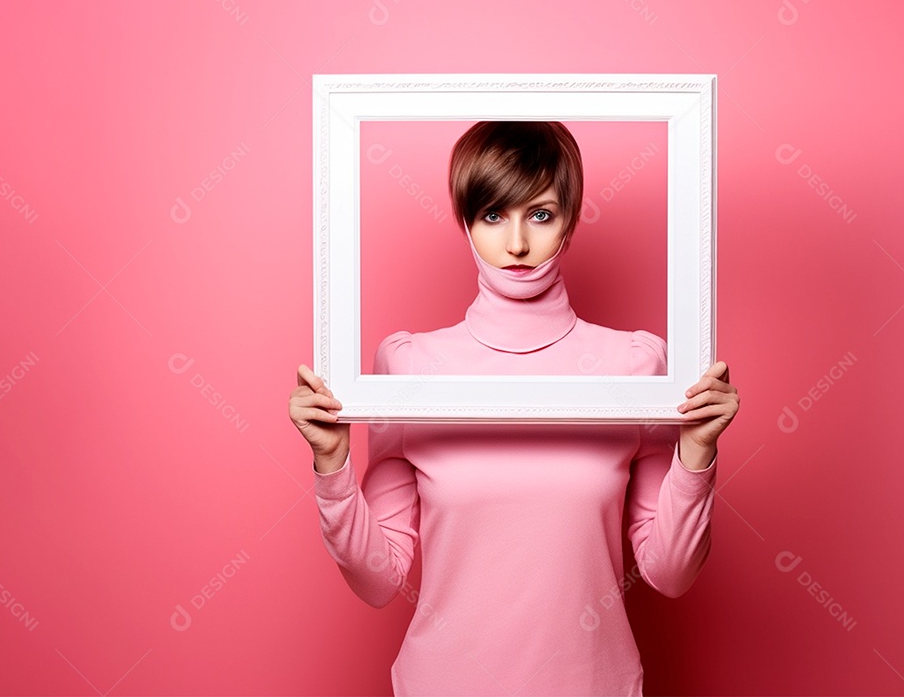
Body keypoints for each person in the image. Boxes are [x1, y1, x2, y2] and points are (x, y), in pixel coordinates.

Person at [288, 121, 739, 696]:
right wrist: (332, 465)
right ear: (467, 223)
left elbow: (670, 572)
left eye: (542, 215)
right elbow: (379, 580)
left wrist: (698, 452)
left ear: (571, 219)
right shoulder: (409, 364)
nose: (518, 244)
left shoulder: (633, 364)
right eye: (493, 216)